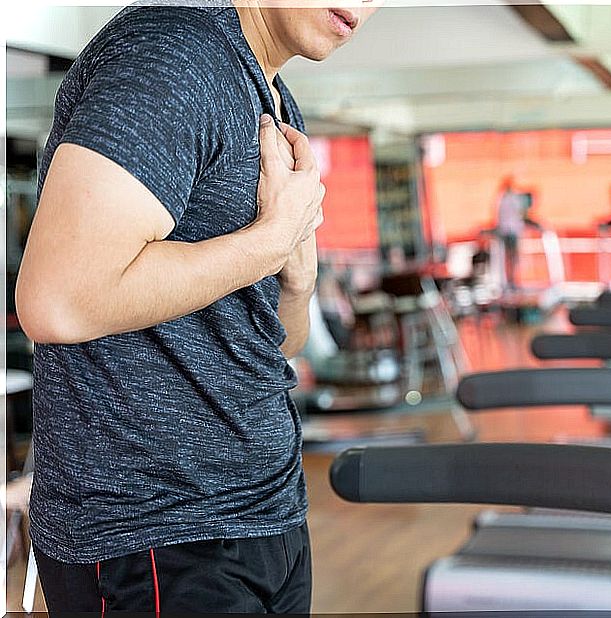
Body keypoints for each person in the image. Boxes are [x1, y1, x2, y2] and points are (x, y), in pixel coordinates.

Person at [15, 3, 377, 613]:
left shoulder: (273, 99)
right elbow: (58, 300)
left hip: (268, 513)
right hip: (155, 532)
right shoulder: (175, 54)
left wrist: (298, 277)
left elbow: (274, 345)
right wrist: (268, 242)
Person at [495, 176, 526, 291]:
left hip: (506, 231)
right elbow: (520, 213)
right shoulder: (512, 198)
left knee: (508, 257)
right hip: (511, 231)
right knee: (512, 258)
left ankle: (510, 281)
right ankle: (511, 281)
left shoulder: (502, 198)